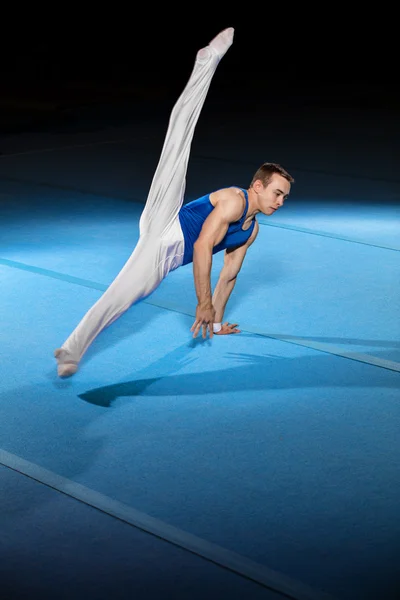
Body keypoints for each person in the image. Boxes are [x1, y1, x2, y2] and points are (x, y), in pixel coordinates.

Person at [55, 27, 294, 377]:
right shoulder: (232, 200)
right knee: (178, 143)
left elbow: (228, 277)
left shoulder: (251, 230)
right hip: (166, 222)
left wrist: (214, 323)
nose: (281, 201)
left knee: (121, 299)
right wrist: (202, 303)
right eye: (277, 192)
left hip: (162, 258)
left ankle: (69, 352)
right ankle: (207, 62)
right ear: (257, 186)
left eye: (285, 197)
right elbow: (201, 246)